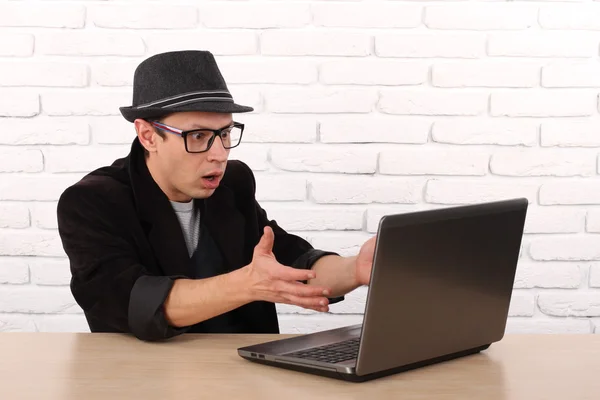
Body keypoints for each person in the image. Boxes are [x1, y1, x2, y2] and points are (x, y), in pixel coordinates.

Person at [56, 50, 376, 342]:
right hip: (146, 378)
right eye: (198, 136)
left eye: (225, 133)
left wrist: (356, 270)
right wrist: (248, 284)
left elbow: (291, 263)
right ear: (148, 136)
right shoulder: (91, 203)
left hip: (243, 375)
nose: (219, 154)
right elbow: (131, 301)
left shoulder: (233, 184)